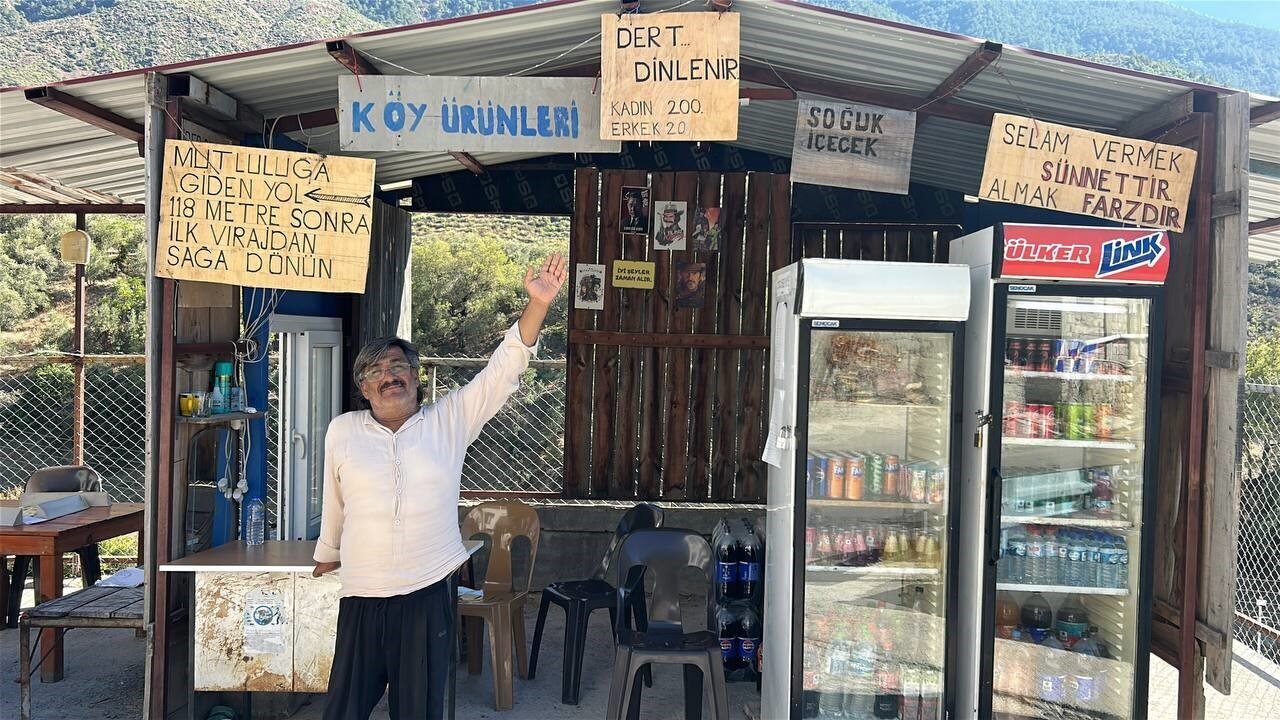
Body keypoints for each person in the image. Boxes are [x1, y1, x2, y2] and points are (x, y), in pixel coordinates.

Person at [312, 254, 567, 720]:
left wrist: (537, 305)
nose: (389, 376)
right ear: (364, 388)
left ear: (415, 377)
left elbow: (501, 372)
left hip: (427, 589)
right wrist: (327, 551)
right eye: (376, 372)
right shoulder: (343, 430)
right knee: (344, 709)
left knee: (418, 710)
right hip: (363, 591)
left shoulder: (448, 420)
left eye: (398, 367)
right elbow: (335, 499)